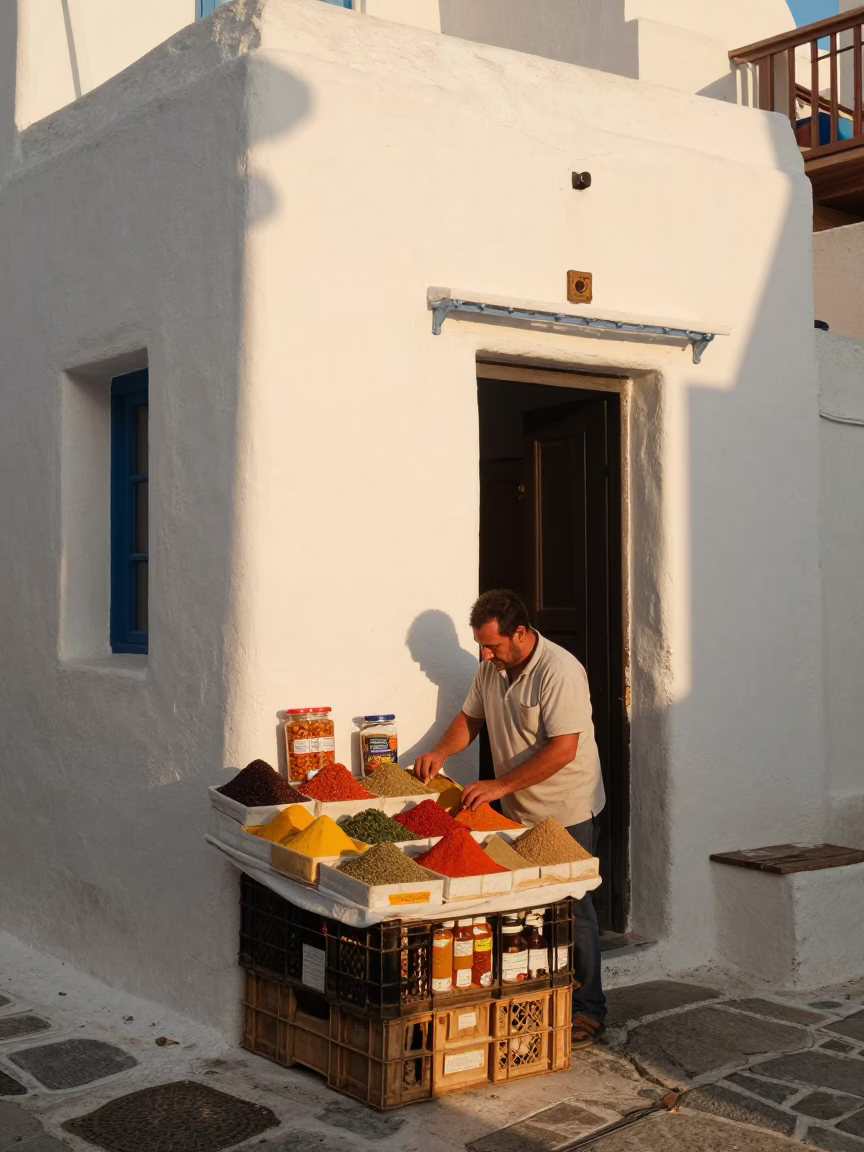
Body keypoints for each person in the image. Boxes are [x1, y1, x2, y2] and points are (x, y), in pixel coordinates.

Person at [414, 588, 606, 1048]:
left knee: (573, 907)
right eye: (481, 644)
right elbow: (469, 719)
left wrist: (498, 787)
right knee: (524, 911)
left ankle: (590, 1009)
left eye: (493, 645)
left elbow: (564, 750)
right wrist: (440, 750)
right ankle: (537, 999)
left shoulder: (560, 672)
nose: (484, 654)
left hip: (566, 810)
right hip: (517, 814)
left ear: (521, 633)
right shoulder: (490, 671)